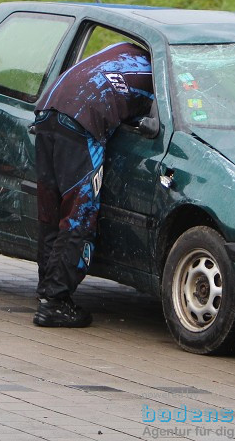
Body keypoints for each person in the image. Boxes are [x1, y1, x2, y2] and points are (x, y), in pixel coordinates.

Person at [31, 42, 154, 328]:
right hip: (82, 122)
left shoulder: (121, 51)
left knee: (51, 214)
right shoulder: (163, 72)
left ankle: (47, 293)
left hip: (47, 112)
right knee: (79, 216)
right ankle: (55, 303)